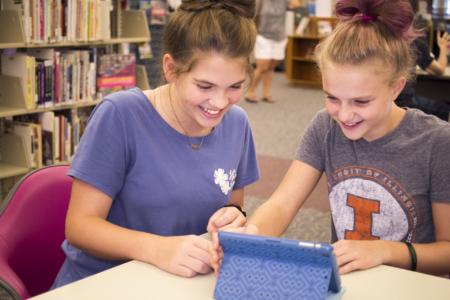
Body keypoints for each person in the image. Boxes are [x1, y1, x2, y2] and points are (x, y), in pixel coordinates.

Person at [209, 0, 450, 277]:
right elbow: (282, 204)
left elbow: (447, 252)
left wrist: (383, 251)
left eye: (361, 101)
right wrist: (251, 233)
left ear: (396, 88)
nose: (344, 114)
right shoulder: (326, 126)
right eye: (332, 97)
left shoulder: (437, 142)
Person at [51, 0, 260, 289]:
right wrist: (157, 249)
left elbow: (235, 207)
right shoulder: (120, 114)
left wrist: (235, 218)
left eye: (235, 87)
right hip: (102, 285)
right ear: (171, 69)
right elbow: (79, 227)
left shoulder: (237, 122)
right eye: (204, 86)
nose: (220, 103)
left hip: (183, 285)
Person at [245, 0, 300, 103]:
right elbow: (250, 17)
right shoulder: (261, 2)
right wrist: (254, 33)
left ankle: (266, 94)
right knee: (263, 67)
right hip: (264, 38)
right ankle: (250, 92)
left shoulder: (283, 2)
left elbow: (296, 4)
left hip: (279, 38)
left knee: (271, 67)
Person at [395, 30, 450, 121]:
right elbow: (439, 70)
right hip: (405, 101)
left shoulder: (379, 39)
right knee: (444, 109)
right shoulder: (414, 43)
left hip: (385, 101)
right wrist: (443, 47)